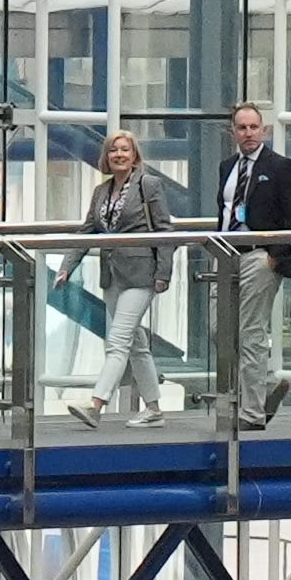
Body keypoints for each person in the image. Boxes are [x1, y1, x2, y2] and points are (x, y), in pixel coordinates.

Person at [83, 124, 183, 427]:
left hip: (142, 274)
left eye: (125, 149)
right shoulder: (102, 191)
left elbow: (165, 230)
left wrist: (163, 272)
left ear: (135, 155)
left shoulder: (147, 185)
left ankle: (95, 404)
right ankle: (153, 409)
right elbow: (87, 231)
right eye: (113, 149)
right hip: (112, 275)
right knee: (137, 344)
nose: (119, 154)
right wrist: (66, 266)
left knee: (119, 340)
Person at [218, 99, 291, 427]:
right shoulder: (227, 166)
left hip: (260, 256)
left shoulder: (280, 166)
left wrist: (274, 256)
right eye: (242, 128)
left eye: (254, 127)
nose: (248, 133)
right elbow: (225, 212)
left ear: (264, 130)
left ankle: (251, 414)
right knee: (221, 330)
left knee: (251, 332)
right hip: (229, 255)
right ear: (233, 132)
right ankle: (264, 389)